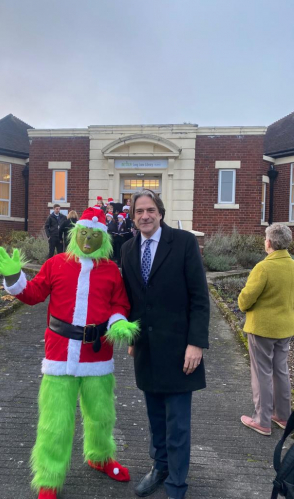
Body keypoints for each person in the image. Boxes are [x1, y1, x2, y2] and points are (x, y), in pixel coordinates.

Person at [0, 207, 139, 499]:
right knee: (55, 422)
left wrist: (119, 322)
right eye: (83, 233)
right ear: (75, 233)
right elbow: (32, 295)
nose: (88, 240)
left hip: (97, 357)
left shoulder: (110, 271)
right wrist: (15, 277)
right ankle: (49, 477)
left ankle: (100, 456)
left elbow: (120, 304)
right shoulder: (56, 264)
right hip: (59, 355)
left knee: (101, 415)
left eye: (95, 235)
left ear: (103, 239)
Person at [121, 189, 209, 499]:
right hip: (146, 350)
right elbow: (132, 301)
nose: (145, 215)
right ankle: (160, 467)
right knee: (155, 419)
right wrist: (131, 338)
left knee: (178, 425)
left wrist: (196, 343)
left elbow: (199, 298)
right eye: (139, 211)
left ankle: (176, 485)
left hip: (180, 350)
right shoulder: (128, 249)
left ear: (160, 212)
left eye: (150, 209)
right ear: (133, 217)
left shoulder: (183, 243)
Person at [239, 223, 294, 436]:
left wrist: (243, 302)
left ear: (269, 242)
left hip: (262, 328)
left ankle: (261, 420)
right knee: (280, 370)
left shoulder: (263, 267)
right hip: (286, 327)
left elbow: (246, 299)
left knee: (262, 372)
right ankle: (283, 415)